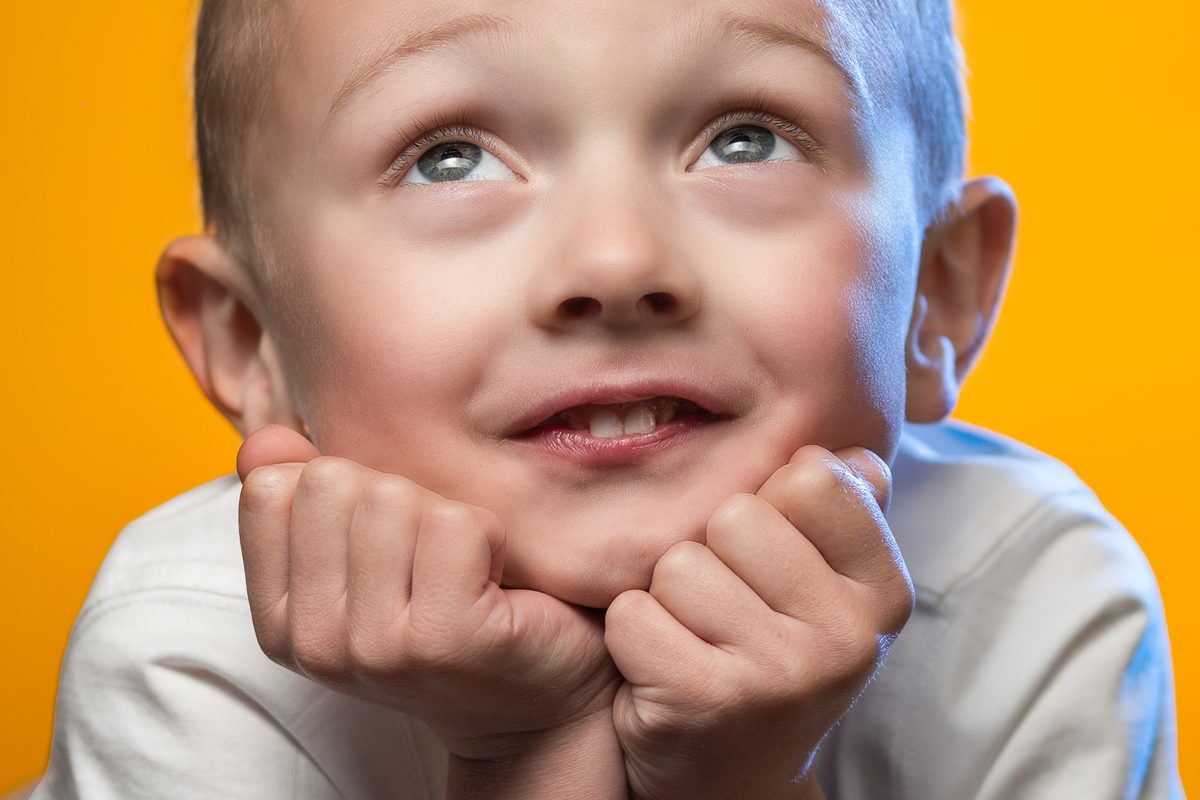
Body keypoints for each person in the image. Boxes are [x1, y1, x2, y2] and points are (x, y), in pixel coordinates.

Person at [33, 0, 1183, 797]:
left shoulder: (1039, 605)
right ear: (249, 342)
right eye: (451, 156)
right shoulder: (186, 653)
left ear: (939, 288)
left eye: (744, 138)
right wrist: (524, 754)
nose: (618, 259)